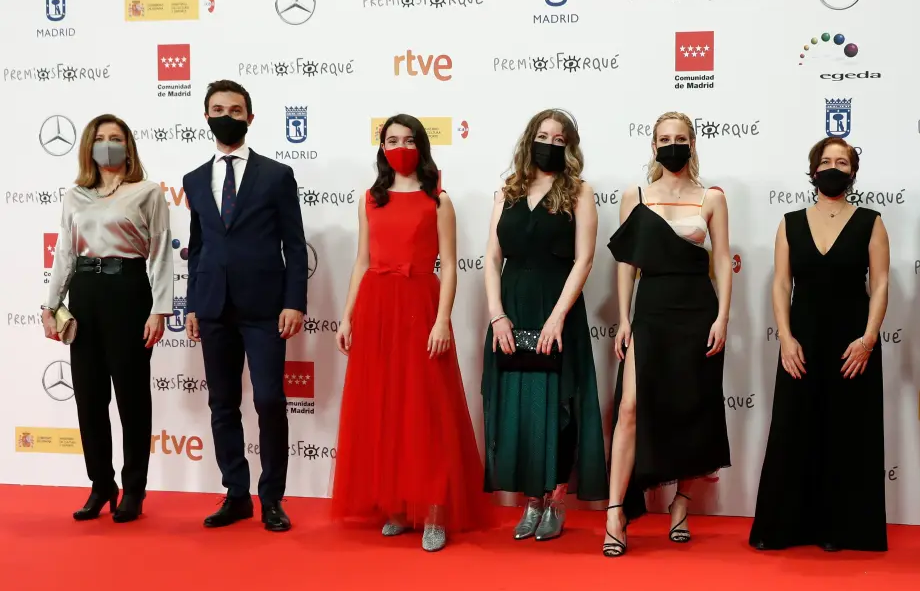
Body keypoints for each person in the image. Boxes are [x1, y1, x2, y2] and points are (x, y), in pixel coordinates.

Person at [331, 115, 493, 552]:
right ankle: (399, 507)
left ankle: (435, 511)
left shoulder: (438, 199)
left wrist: (442, 320)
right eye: (391, 140)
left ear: (421, 145)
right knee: (386, 408)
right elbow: (362, 261)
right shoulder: (370, 199)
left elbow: (450, 265)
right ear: (381, 147)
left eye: (408, 140)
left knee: (427, 410)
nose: (399, 147)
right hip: (376, 308)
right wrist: (347, 317)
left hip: (421, 306)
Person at [603, 111, 732, 557]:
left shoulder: (711, 198)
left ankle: (681, 502)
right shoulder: (634, 197)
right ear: (653, 145)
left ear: (692, 144)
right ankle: (615, 512)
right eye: (664, 138)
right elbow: (626, 263)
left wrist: (723, 317)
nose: (672, 145)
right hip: (652, 309)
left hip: (697, 310)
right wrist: (623, 318)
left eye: (680, 138)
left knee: (693, 406)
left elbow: (721, 261)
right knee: (630, 407)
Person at [750, 137, 888, 553]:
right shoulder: (790, 222)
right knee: (795, 431)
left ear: (853, 172)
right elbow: (781, 283)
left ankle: (842, 529)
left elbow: (880, 284)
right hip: (802, 341)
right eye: (826, 161)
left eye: (842, 162)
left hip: (853, 344)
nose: (833, 168)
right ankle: (788, 528)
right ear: (813, 171)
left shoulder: (871, 222)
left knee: (849, 434)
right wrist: (785, 338)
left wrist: (868, 339)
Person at [183, 80, 307, 532]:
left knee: (270, 400)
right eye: (218, 110)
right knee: (223, 404)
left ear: (250, 118)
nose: (226, 117)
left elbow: (295, 245)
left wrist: (294, 302)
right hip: (213, 307)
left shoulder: (276, 175)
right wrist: (193, 305)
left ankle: (271, 497)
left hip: (265, 308)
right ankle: (236, 494)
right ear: (206, 116)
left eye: (235, 110)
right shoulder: (195, 179)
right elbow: (197, 247)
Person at [481, 109, 608, 541]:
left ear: (569, 147)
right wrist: (497, 315)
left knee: (557, 406)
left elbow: (584, 260)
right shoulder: (507, 192)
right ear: (528, 140)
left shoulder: (580, 192)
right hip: (511, 309)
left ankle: (555, 500)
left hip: (558, 311)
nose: (549, 145)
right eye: (542, 136)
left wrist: (557, 317)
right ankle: (530, 501)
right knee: (519, 406)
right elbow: (492, 258)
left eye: (559, 139)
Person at [43, 114, 172, 523]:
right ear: (89, 145)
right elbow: (65, 253)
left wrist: (160, 309)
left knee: (132, 398)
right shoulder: (74, 195)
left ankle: (134, 489)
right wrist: (50, 305)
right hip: (84, 295)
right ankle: (101, 485)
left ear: (128, 146)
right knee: (89, 396)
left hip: (128, 291)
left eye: (116, 138)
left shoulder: (147, 192)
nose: (108, 144)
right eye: (101, 138)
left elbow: (161, 253)